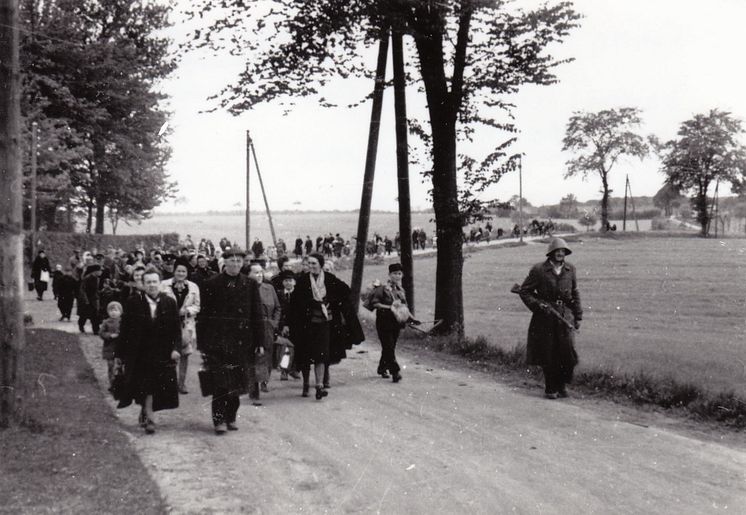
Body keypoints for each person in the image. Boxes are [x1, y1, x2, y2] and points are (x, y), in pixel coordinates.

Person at [197, 250, 264, 434]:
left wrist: (259, 341)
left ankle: (231, 417)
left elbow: (257, 314)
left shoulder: (250, 284)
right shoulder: (212, 284)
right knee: (220, 383)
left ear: (243, 263)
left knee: (238, 383)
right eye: (231, 260)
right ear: (224, 262)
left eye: (238, 261)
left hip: (243, 342)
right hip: (218, 343)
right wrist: (203, 343)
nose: (235, 264)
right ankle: (218, 420)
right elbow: (204, 316)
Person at [289, 253, 364, 400]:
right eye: (309, 263)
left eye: (314, 264)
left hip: (325, 323)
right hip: (307, 324)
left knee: (321, 355)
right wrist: (310, 304)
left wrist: (331, 301)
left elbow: (346, 291)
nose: (311, 266)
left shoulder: (329, 279)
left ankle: (319, 386)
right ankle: (305, 384)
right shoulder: (303, 281)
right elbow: (296, 302)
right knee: (305, 355)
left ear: (321, 265)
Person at [117, 269, 181, 434]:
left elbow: (176, 330)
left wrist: (175, 349)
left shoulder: (169, 302)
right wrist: (120, 354)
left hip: (162, 352)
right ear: (142, 284)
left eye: (154, 282)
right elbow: (124, 329)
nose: (152, 285)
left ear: (160, 283)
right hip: (140, 353)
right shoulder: (133, 302)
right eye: (148, 282)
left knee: (156, 386)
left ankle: (147, 412)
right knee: (144, 385)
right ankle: (150, 417)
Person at [518, 238, 582, 399]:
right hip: (545, 317)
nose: (560, 254)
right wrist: (538, 305)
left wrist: (578, 316)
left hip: (565, 316)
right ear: (551, 253)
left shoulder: (570, 269)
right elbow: (524, 291)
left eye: (563, 251)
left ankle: (562, 385)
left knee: (567, 353)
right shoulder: (539, 269)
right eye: (557, 251)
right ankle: (551, 387)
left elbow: (575, 293)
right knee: (549, 353)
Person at [161, 259, 201, 394]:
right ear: (174, 271)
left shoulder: (193, 287)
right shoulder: (164, 285)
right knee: (168, 353)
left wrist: (188, 310)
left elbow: (197, 306)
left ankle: (181, 384)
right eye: (178, 271)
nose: (181, 273)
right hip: (168, 324)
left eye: (184, 271)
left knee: (185, 353)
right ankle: (168, 384)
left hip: (186, 324)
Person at [369, 263, 411, 383]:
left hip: (396, 323)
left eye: (399, 274)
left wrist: (411, 318)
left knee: (389, 347)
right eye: (394, 273)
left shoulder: (401, 290)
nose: (397, 276)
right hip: (383, 322)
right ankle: (395, 372)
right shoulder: (382, 289)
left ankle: (382, 368)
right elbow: (375, 303)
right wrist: (390, 307)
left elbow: (404, 307)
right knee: (388, 346)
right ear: (389, 274)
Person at [247, 261, 280, 398]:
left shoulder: (269, 288)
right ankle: (254, 389)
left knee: (267, 355)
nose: (259, 275)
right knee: (255, 356)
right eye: (256, 272)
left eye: (261, 272)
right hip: (251, 328)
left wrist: (274, 322)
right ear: (248, 274)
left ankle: (263, 381)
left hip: (268, 327)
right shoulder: (245, 289)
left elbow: (277, 307)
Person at [99, 301, 123, 390]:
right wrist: (109, 335)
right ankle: (112, 383)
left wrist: (120, 335)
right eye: (111, 310)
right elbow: (101, 333)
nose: (113, 312)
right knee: (111, 365)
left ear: (120, 312)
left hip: (120, 347)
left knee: (120, 366)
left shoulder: (123, 322)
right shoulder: (106, 322)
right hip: (109, 347)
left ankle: (119, 383)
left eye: (116, 310)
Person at [78, 264, 103, 334]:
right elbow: (82, 290)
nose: (101, 272)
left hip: (94, 300)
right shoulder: (87, 278)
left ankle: (96, 330)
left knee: (95, 315)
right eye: (100, 270)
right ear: (95, 271)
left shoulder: (97, 279)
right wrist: (86, 300)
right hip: (87, 300)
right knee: (84, 315)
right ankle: (81, 326)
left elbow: (96, 290)